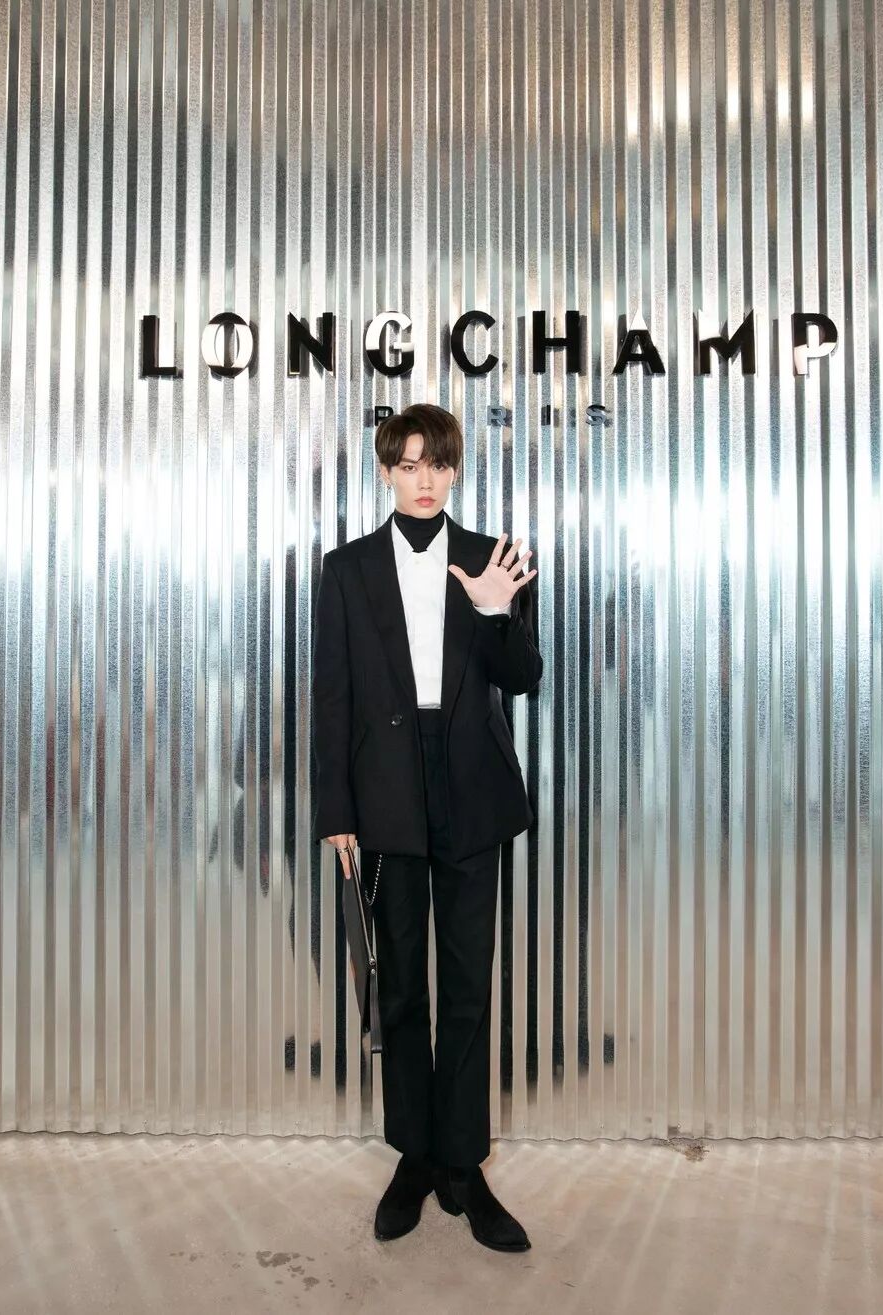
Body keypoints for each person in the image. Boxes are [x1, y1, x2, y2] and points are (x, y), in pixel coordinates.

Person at [310, 402, 542, 1252]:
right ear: (385, 471)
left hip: (470, 785)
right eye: (408, 464)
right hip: (385, 792)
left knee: (469, 985)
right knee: (403, 983)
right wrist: (337, 810)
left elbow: (523, 675)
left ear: (454, 470)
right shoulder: (347, 568)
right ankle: (414, 1153)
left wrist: (494, 610)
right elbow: (332, 695)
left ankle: (463, 1163)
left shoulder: (493, 557)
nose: (424, 480)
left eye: (437, 464)